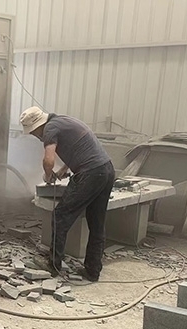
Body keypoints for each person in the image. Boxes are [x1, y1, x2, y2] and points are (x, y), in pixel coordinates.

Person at [19, 106, 115, 282]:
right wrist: (64, 169)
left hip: (90, 174)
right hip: (106, 170)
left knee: (60, 216)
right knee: (97, 223)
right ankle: (92, 271)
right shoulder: (64, 121)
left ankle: (53, 265)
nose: (35, 136)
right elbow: (81, 148)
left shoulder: (50, 129)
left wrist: (48, 176)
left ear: (39, 126)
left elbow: (48, 160)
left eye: (33, 132)